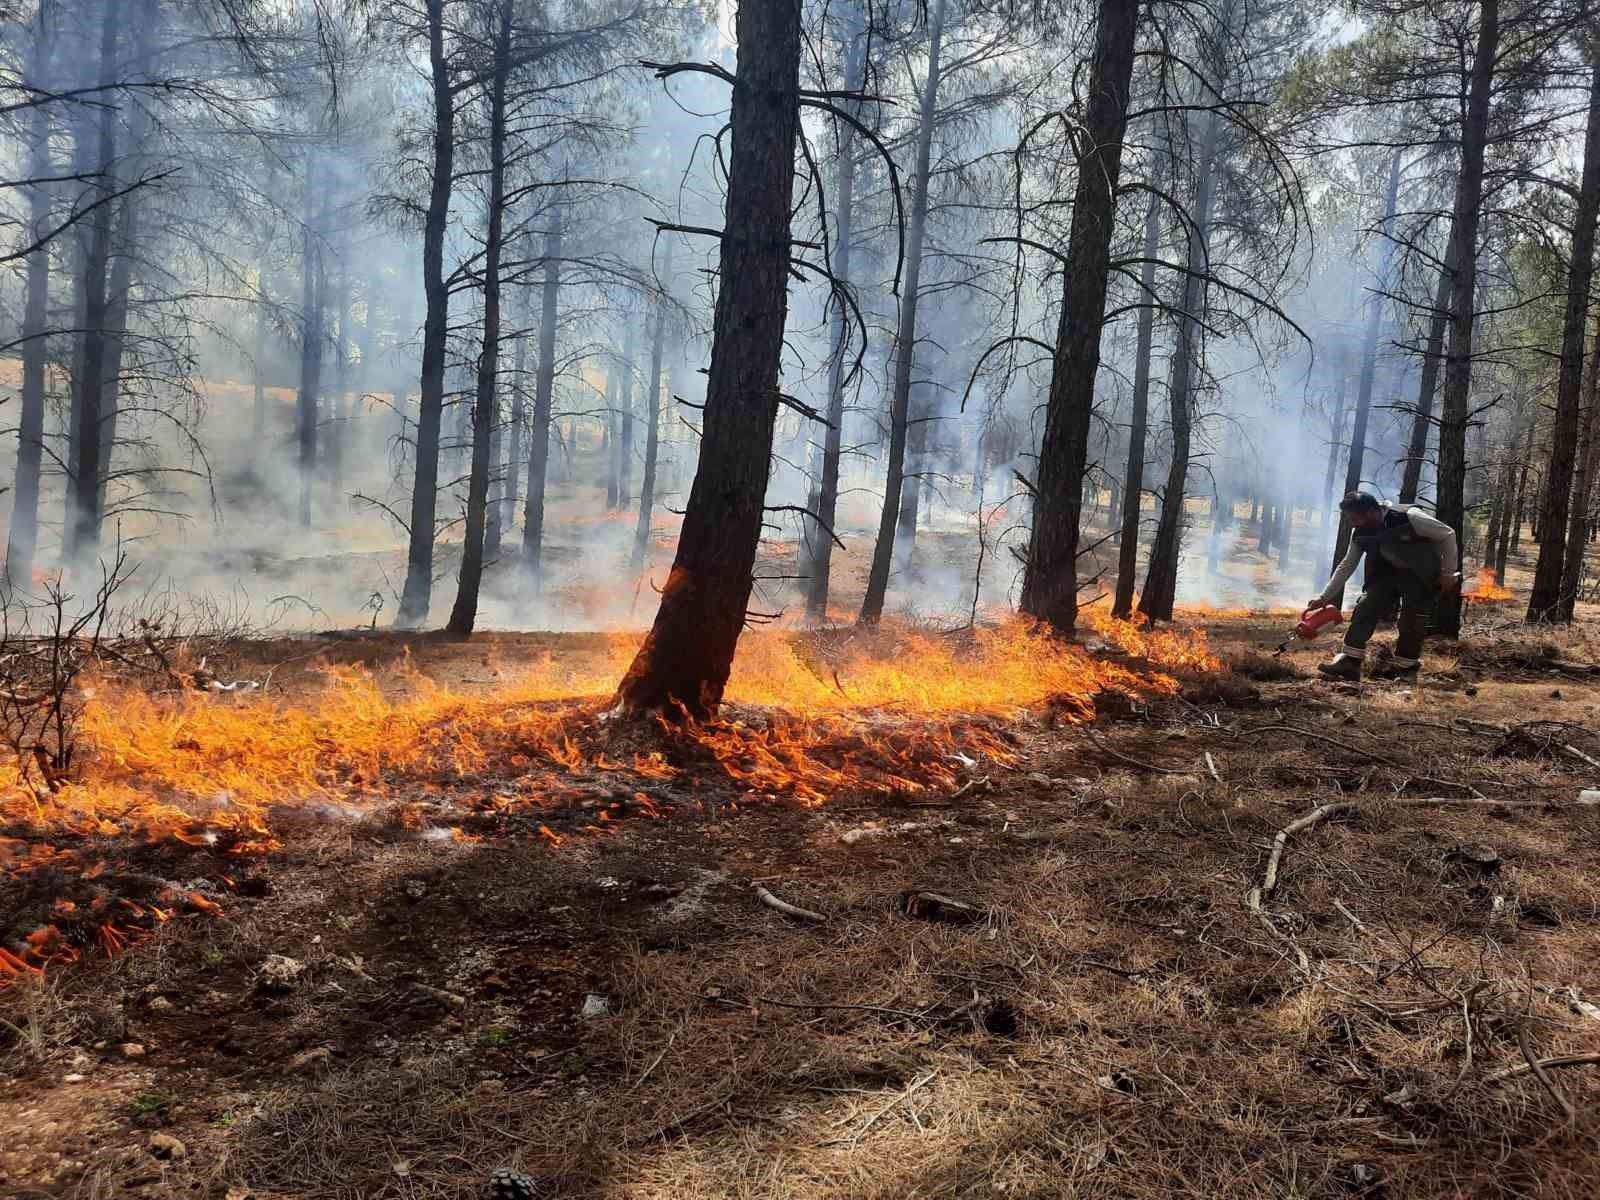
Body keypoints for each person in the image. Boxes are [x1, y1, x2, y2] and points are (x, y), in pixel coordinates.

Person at [1312, 491, 1461, 681]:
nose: (1353, 524)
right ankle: (1350, 661)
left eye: (1356, 518)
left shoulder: (1410, 517)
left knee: (1412, 619)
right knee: (1366, 606)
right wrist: (1324, 597)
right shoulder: (1360, 531)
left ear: (1373, 512)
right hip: (1386, 574)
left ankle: (1406, 669)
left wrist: (1447, 573)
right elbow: (1346, 565)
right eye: (1350, 519)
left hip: (1419, 574)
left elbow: (1447, 534)